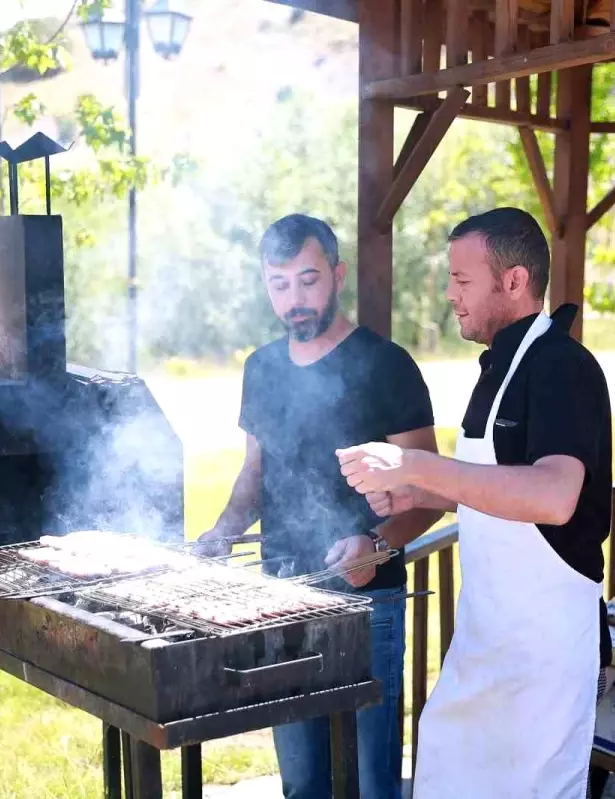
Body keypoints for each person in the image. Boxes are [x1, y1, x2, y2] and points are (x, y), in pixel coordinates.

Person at [336, 207, 613, 799]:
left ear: (513, 281)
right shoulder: (499, 367)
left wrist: (416, 464)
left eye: (462, 281)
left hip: (542, 651)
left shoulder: (564, 367)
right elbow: (487, 483)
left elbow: (554, 495)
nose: (449, 295)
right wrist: (408, 495)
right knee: (447, 770)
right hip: (486, 634)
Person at [195, 213, 442, 799]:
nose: (295, 300)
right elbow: (255, 475)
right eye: (279, 285)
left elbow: (431, 494)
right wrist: (224, 530)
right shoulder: (261, 369)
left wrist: (376, 546)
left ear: (338, 274)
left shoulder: (388, 366)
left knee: (371, 782)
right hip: (282, 597)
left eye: (308, 280)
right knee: (303, 782)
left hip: (367, 600)